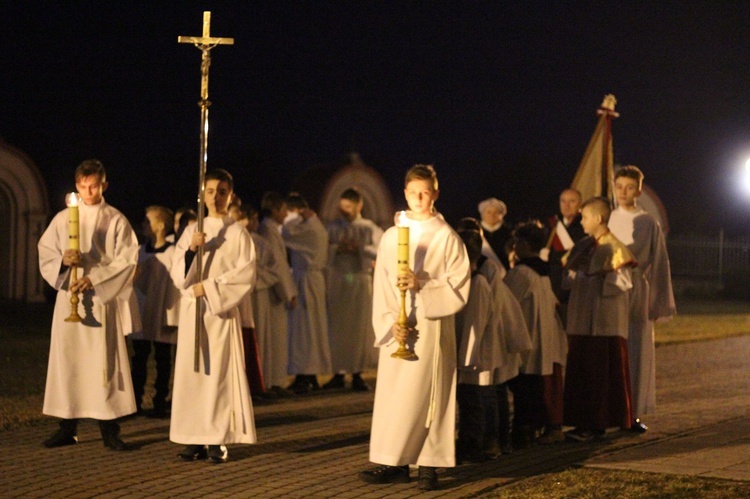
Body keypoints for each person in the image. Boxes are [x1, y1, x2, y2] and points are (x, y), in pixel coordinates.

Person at [359, 164, 471, 491]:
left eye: (425, 192)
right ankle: (393, 460)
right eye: (413, 193)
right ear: (405, 193)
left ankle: (429, 464)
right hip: (399, 328)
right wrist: (389, 323)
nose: (419, 199)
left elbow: (459, 286)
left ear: (435, 193)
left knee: (430, 396)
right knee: (396, 397)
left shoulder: (447, 238)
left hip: (432, 330)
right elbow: (381, 285)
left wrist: (423, 284)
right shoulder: (392, 237)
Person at [38, 159, 139, 451]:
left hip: (99, 299)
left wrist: (96, 278)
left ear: (104, 185)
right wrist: (62, 262)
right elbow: (46, 251)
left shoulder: (115, 220)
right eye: (82, 186)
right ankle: (67, 426)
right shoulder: (63, 218)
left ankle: (110, 429)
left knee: (101, 364)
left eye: (93, 186)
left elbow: (127, 260)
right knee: (68, 362)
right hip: (69, 296)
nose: (87, 191)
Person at [169, 168, 257, 464]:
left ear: (230, 195)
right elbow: (177, 275)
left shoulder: (237, 233)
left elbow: (245, 275)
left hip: (219, 314)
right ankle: (193, 438)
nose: (215, 197)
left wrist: (208, 287)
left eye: (222, 192)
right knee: (192, 375)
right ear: (201, 195)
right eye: (210, 191)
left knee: (217, 376)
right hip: (194, 312)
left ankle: (217, 438)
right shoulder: (192, 231)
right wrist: (193, 250)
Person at [608, 165, 676, 433]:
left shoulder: (648, 222)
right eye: (619, 187)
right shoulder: (609, 219)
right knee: (611, 349)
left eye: (629, 187)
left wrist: (658, 302)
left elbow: (659, 263)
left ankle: (631, 412)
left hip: (636, 292)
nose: (624, 192)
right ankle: (611, 408)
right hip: (610, 292)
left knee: (634, 350)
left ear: (638, 189)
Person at [563, 197, 637, 441]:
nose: (581, 221)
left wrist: (593, 280)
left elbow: (622, 282)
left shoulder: (615, 248)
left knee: (600, 377)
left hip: (603, 324)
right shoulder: (584, 245)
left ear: (598, 218)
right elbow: (570, 275)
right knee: (582, 374)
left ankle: (597, 424)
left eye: (584, 217)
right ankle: (581, 422)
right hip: (582, 320)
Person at [504, 221, 568, 447]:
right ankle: (533, 428)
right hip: (544, 335)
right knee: (534, 387)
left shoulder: (521, 272)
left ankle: (524, 431)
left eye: (517, 241)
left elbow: (506, 302)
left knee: (524, 389)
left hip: (527, 337)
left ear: (523, 243)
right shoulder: (542, 271)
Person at [323, 188, 383, 391]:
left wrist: (358, 247)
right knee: (338, 328)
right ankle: (338, 372)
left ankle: (358, 372)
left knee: (359, 329)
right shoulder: (333, 227)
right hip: (340, 281)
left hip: (359, 280)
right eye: (343, 207)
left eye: (349, 206)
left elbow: (381, 250)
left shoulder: (368, 228)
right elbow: (323, 250)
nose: (345, 211)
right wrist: (337, 248)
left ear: (359, 205)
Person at [130, 205, 180, 418]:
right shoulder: (140, 251)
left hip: (162, 312)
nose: (143, 224)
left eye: (148, 221)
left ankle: (160, 402)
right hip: (142, 312)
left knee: (162, 359)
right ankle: (135, 402)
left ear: (160, 226)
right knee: (139, 358)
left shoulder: (173, 253)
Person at [283, 193, 333, 394]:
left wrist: (294, 218)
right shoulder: (315, 226)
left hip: (306, 281)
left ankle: (305, 373)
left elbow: (285, 234)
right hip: (312, 280)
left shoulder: (309, 228)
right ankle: (309, 373)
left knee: (305, 328)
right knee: (311, 328)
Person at [228, 202, 270, 400]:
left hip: (242, 294)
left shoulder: (247, 239)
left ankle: (250, 384)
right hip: (227, 294)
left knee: (245, 336)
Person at [258, 192, 297, 397]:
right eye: (283, 210)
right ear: (274, 210)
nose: (286, 214)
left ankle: (275, 380)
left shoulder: (271, 229)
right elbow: (279, 265)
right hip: (274, 293)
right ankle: (273, 381)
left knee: (277, 339)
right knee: (274, 339)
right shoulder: (268, 229)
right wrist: (288, 292)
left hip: (275, 290)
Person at [544, 188, 586, 325]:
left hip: (576, 285)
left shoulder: (584, 226)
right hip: (553, 284)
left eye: (572, 201)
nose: (566, 205)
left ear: (580, 204)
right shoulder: (552, 226)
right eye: (563, 201)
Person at [478, 197, 512, 270]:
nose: (492, 215)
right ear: (482, 214)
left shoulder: (509, 233)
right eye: (488, 212)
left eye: (496, 212)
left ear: (502, 215)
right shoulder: (476, 232)